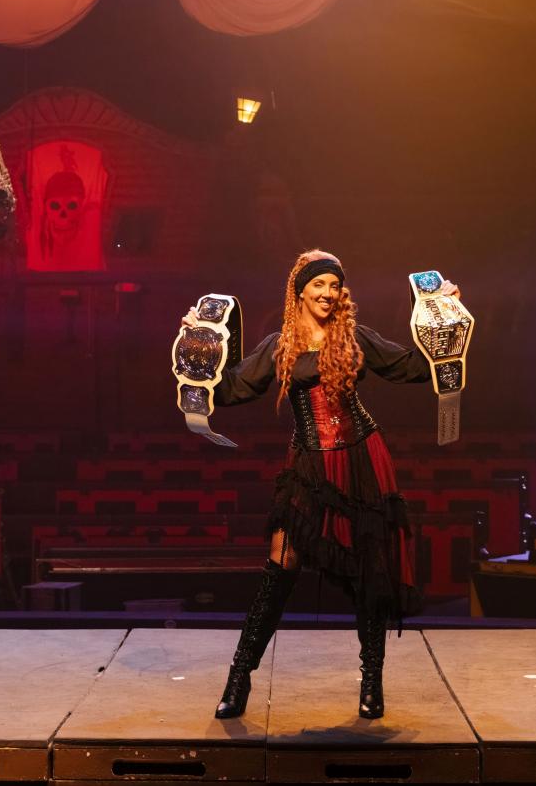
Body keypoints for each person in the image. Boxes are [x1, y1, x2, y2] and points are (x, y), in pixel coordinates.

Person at [182, 249, 460, 721]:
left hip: (361, 459)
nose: (329, 294)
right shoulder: (279, 346)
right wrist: (199, 345)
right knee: (280, 566)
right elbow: (229, 391)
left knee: (369, 570)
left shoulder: (354, 338)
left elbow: (412, 368)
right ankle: (239, 678)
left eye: (335, 286)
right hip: (310, 466)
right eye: (319, 285)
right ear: (300, 291)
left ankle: (371, 682)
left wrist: (445, 319)